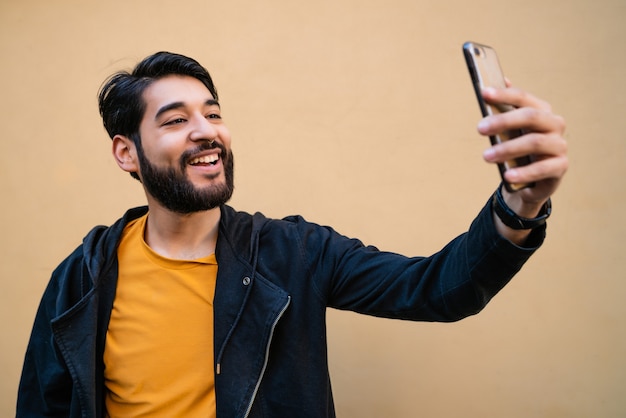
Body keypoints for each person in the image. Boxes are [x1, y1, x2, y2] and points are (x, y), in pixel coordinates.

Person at [16, 51, 568, 417]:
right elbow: (42, 403)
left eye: (212, 112)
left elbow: (436, 289)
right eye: (175, 119)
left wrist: (522, 202)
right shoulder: (84, 276)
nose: (207, 131)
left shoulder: (295, 252)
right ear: (125, 152)